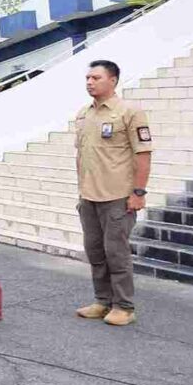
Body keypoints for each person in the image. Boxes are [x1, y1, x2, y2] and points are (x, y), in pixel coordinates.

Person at [74, 60, 152, 327]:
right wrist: (81, 191)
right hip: (89, 197)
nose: (89, 82)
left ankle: (124, 307)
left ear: (113, 81)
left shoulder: (129, 112)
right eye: (87, 78)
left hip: (117, 197)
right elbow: (81, 156)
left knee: (116, 253)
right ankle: (102, 301)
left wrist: (138, 192)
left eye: (95, 78)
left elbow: (143, 154)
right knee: (95, 251)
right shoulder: (84, 114)